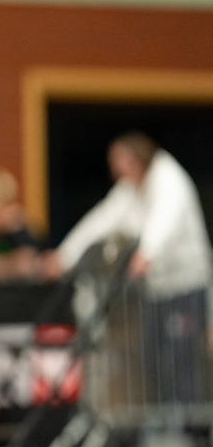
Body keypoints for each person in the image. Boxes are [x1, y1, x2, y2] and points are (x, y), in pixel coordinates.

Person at [45, 131, 212, 404]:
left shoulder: (168, 179)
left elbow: (164, 219)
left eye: (118, 161)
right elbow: (102, 219)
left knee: (184, 360)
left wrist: (146, 253)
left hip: (186, 287)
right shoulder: (132, 188)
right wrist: (65, 256)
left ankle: (188, 430)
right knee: (155, 358)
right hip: (157, 291)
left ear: (136, 157)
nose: (114, 170)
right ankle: (164, 420)